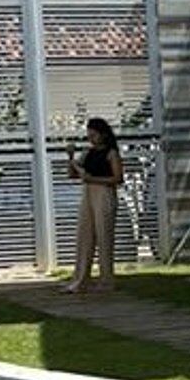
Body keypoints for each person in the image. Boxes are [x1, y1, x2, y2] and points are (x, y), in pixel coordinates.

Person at [67, 116, 123, 292]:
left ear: (103, 135)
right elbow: (73, 174)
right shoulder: (87, 153)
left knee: (104, 236)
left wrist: (94, 179)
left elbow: (118, 178)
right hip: (88, 193)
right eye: (89, 134)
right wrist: (70, 157)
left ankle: (106, 280)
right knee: (85, 235)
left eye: (94, 134)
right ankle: (81, 279)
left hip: (104, 193)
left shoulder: (111, 153)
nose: (91, 138)